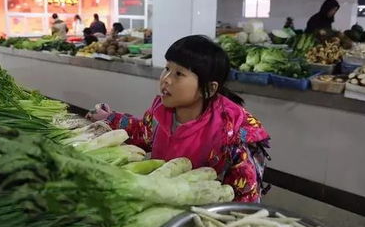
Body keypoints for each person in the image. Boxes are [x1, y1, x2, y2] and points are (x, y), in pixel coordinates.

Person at [86, 35, 271, 202]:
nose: (166, 79)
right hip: (161, 200)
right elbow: (142, 132)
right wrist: (109, 118)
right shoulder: (161, 112)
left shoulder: (233, 135)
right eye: (166, 68)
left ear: (210, 88)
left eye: (179, 74)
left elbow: (244, 198)